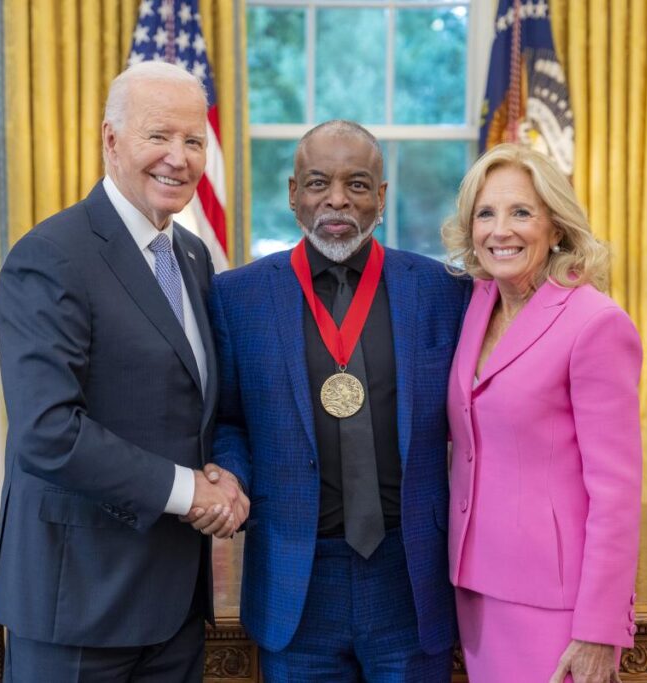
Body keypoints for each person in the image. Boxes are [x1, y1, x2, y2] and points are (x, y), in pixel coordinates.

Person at [0, 61, 248, 682]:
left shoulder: (190, 255)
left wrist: (227, 477)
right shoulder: (51, 256)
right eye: (158, 136)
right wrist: (192, 493)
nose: (179, 158)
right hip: (78, 601)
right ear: (111, 140)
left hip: (173, 605)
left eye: (193, 140)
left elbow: (195, 404)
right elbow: (49, 431)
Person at [206, 120, 470, 681]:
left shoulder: (445, 292)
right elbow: (228, 421)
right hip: (296, 579)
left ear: (381, 196)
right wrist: (229, 478)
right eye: (318, 181)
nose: (336, 198)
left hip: (410, 574)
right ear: (293, 193)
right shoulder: (237, 297)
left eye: (356, 183)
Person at [441, 142, 642, 683]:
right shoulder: (476, 305)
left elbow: (616, 491)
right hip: (474, 586)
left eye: (521, 212)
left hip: (554, 604)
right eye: (486, 213)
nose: (500, 230)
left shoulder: (595, 324)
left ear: (556, 228)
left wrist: (600, 627)